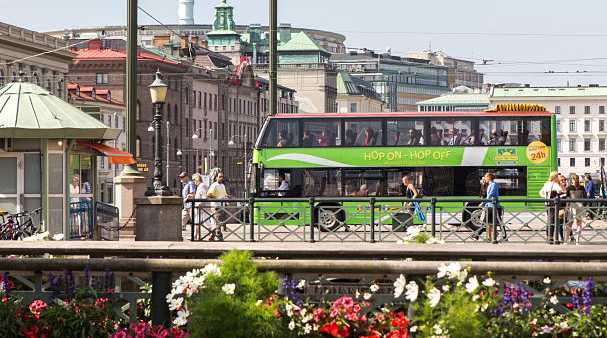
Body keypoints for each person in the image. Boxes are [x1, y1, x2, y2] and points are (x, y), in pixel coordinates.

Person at [540, 171, 565, 244]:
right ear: (555, 177)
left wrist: (545, 197)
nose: (558, 178)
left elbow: (540, 192)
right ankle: (552, 238)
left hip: (547, 204)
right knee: (553, 221)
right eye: (557, 177)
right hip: (554, 204)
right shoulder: (555, 185)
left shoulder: (546, 184)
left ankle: (549, 237)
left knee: (549, 220)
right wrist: (560, 185)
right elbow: (561, 191)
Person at [206, 170, 229, 241]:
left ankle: (212, 235)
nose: (221, 178)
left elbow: (224, 194)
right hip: (216, 206)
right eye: (220, 177)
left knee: (217, 221)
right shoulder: (214, 185)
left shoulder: (222, 185)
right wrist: (217, 198)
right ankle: (219, 236)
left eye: (222, 177)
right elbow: (208, 194)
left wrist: (227, 197)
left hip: (222, 205)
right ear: (216, 178)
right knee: (217, 221)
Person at [566, 174, 585, 244]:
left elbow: (566, 197)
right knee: (576, 223)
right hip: (577, 206)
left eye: (575, 179)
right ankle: (577, 241)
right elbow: (585, 197)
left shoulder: (569, 187)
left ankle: (567, 240)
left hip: (573, 206)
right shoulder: (581, 187)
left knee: (571, 223)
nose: (575, 181)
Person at [481, 172, 500, 242]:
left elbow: (490, 195)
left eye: (485, 177)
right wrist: (483, 184)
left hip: (493, 206)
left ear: (489, 177)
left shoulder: (493, 185)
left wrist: (483, 202)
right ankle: (489, 237)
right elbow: (483, 193)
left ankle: (492, 237)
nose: (484, 178)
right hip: (489, 205)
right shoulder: (489, 185)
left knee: (491, 222)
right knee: (488, 222)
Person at [192, 173, 209, 240]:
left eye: (194, 179)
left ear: (197, 179)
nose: (193, 181)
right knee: (197, 222)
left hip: (201, 208)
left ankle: (213, 234)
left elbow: (204, 196)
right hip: (199, 207)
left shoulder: (202, 185)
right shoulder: (199, 186)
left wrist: (200, 203)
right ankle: (196, 236)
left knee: (207, 223)